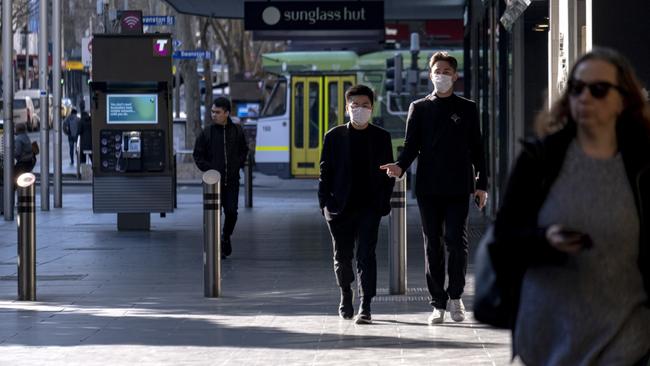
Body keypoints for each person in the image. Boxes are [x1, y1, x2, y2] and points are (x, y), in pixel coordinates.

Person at [492, 48, 650, 365]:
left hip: (625, 336)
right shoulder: (539, 161)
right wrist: (545, 240)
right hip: (549, 336)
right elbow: (504, 239)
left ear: (623, 100)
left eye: (599, 90)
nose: (585, 98)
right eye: (577, 89)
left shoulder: (642, 164)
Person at [380, 51, 488, 325]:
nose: (441, 75)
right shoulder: (419, 107)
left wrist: (482, 184)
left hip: (458, 186)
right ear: (430, 74)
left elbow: (478, 149)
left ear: (455, 75)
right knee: (433, 246)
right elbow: (411, 146)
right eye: (436, 71)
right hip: (428, 187)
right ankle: (437, 303)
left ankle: (456, 297)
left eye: (446, 71)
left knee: (456, 242)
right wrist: (400, 167)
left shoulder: (467, 108)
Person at [318, 85, 394, 324]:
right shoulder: (333, 136)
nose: (360, 109)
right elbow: (325, 173)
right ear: (347, 107)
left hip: (370, 207)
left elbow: (387, 174)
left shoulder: (382, 137)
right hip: (339, 207)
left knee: (366, 255)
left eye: (365, 105)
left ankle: (366, 305)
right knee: (342, 256)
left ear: (372, 108)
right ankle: (345, 294)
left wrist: (383, 202)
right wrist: (324, 204)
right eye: (355, 105)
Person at [193, 97, 249, 259]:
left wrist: (237, 164)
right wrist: (209, 170)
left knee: (232, 212)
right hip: (213, 183)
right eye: (212, 112)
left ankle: (226, 236)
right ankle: (216, 244)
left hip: (232, 181)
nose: (214, 115)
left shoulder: (237, 131)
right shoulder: (207, 133)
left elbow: (244, 150)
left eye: (217, 112)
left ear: (226, 113)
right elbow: (197, 154)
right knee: (214, 215)